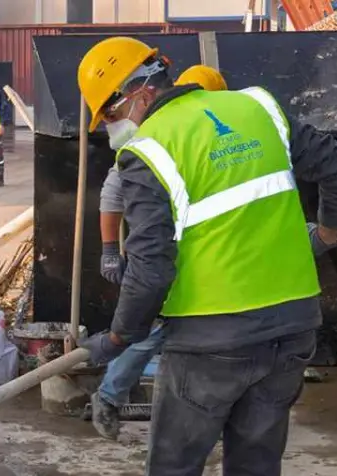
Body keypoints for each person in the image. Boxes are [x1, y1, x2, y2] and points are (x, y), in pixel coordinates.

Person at [73, 37, 337, 476]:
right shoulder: (260, 109)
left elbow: (149, 273)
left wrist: (116, 340)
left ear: (136, 93)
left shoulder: (148, 152)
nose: (115, 124)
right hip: (289, 332)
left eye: (111, 111)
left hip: (209, 346)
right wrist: (330, 233)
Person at [91, 64, 230, 440]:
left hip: (214, 261)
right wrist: (108, 250)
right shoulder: (150, 145)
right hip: (168, 259)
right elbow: (112, 193)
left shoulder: (222, 139)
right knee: (152, 332)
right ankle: (108, 395)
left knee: (193, 339)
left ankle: (203, 412)